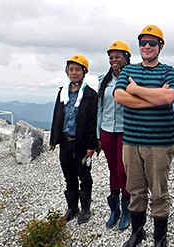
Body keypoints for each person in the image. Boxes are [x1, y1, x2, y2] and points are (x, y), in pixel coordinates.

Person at [114, 25, 174, 247]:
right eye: (143, 43)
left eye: (152, 43)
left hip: (159, 144)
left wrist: (136, 90)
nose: (147, 47)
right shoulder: (129, 70)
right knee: (135, 190)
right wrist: (153, 97)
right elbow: (119, 96)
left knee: (159, 192)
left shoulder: (169, 70)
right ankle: (137, 233)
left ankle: (160, 238)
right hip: (131, 143)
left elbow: (169, 97)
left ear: (160, 46)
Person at [50, 54, 98, 225]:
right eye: (71, 69)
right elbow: (57, 116)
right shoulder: (62, 92)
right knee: (68, 174)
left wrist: (92, 145)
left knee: (84, 175)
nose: (74, 73)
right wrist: (53, 139)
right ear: (67, 71)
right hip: (65, 141)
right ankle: (72, 207)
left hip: (82, 143)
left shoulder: (90, 95)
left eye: (78, 69)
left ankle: (85, 208)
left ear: (84, 72)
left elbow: (93, 121)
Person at [97, 40, 131, 230]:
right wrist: (98, 135)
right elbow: (100, 109)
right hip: (107, 129)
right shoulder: (104, 79)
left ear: (126, 58)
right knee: (112, 169)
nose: (113, 59)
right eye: (111, 56)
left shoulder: (133, 76)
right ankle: (115, 209)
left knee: (122, 169)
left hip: (126, 130)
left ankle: (126, 209)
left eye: (118, 56)